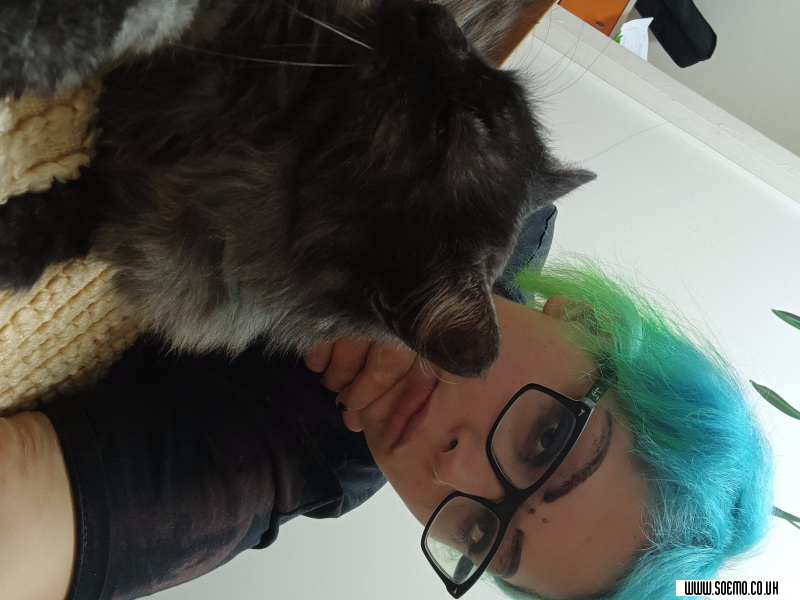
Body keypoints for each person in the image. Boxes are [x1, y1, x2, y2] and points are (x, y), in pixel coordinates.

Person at [0, 208, 774, 600]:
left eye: (481, 532)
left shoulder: (307, 448)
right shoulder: (500, 192)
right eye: (545, 441)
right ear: (591, 321)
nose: (454, 471)